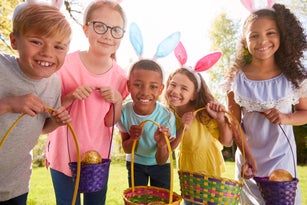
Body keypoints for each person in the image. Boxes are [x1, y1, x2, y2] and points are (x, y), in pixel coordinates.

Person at [45, 0, 129, 204]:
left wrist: (117, 101)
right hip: (63, 155)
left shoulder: (120, 76)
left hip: (98, 159)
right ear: (85, 29)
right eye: (100, 26)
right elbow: (49, 112)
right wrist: (70, 96)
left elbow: (111, 122)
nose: (108, 35)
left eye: (116, 30)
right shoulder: (64, 65)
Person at [224, 3, 307, 205]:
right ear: (245, 40)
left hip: (282, 159)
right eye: (254, 35)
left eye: (271, 33)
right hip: (248, 160)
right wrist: (247, 156)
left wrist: (286, 118)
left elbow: (305, 112)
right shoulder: (237, 79)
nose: (263, 41)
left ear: (281, 36)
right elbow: (233, 122)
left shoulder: (293, 78)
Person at [0, 3, 72, 204]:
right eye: (36, 42)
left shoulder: (55, 82)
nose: (48, 53)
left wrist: (56, 122)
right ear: (14, 40)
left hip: (16, 184)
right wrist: (8, 104)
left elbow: (41, 128)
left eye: (58, 46)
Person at [164, 67, 240, 205]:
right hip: (187, 177)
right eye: (173, 85)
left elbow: (227, 142)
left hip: (209, 176)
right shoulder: (168, 115)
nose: (175, 91)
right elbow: (167, 146)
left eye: (184, 88)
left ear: (194, 95)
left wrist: (221, 119)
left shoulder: (203, 113)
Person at [118, 59, 178, 190]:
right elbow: (127, 149)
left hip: (160, 166)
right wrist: (133, 139)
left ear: (161, 89)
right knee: (137, 200)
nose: (145, 92)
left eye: (153, 86)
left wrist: (162, 144)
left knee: (162, 201)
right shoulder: (123, 112)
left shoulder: (167, 116)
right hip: (135, 164)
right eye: (138, 84)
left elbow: (162, 160)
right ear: (128, 85)